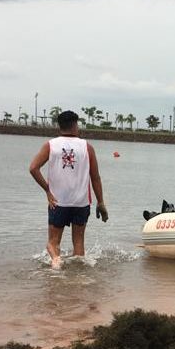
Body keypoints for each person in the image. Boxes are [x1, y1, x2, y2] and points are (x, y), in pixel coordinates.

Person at [28, 110, 108, 269]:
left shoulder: (50, 145)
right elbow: (96, 178)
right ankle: (78, 278)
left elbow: (33, 168)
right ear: (75, 125)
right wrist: (101, 202)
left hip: (58, 202)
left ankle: (56, 262)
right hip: (81, 202)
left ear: (60, 126)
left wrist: (48, 191)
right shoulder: (87, 147)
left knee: (53, 243)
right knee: (78, 245)